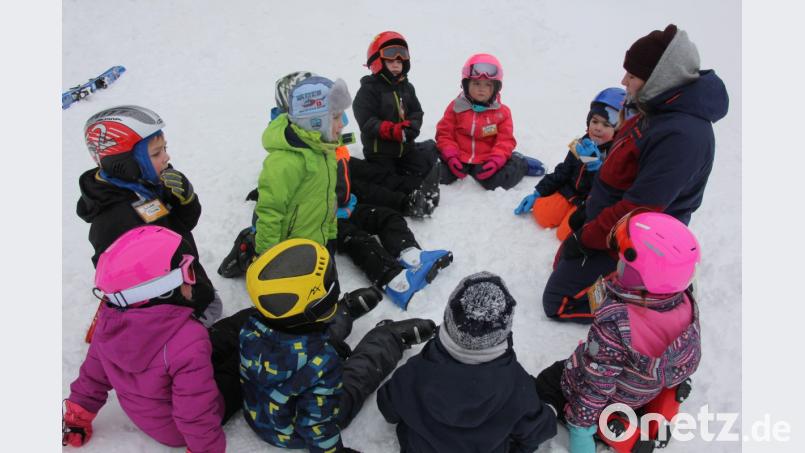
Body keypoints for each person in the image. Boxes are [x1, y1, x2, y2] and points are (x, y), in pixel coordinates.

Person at [542, 24, 728, 322]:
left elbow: (638, 210)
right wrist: (587, 212)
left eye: (632, 75)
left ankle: (651, 299)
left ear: (657, 78)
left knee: (558, 302)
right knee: (561, 263)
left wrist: (588, 236)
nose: (623, 81)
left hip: (639, 242)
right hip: (611, 222)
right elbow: (620, 173)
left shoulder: (681, 136)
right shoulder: (656, 109)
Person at [239, 238, 437, 453]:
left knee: (306, 330)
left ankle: (341, 313)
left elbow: (298, 333)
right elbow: (315, 427)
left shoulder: (251, 326)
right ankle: (388, 338)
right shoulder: (323, 364)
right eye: (328, 300)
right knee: (357, 377)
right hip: (291, 431)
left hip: (260, 414)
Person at [534, 212, 702, 453]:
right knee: (647, 380)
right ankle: (662, 408)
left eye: (624, 261)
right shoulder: (685, 301)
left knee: (550, 381)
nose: (618, 263)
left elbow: (597, 383)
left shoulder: (616, 323)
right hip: (649, 383)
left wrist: (581, 428)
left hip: (617, 395)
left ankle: (618, 429)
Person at [62, 226, 225, 452]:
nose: (194, 279)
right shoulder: (189, 338)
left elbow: (92, 377)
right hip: (177, 431)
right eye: (188, 271)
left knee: (222, 337)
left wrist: (76, 418)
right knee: (240, 364)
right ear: (164, 290)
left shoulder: (109, 322)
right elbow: (196, 412)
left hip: (145, 415)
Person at [377, 272, 558, 452]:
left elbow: (388, 408)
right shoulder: (517, 386)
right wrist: (550, 410)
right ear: (503, 331)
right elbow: (539, 431)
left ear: (449, 319)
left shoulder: (414, 371)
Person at [78, 105, 222, 328]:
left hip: (189, 281)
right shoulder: (114, 220)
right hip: (172, 307)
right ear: (124, 163)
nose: (167, 157)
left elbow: (181, 226)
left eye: (164, 148)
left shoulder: (148, 183)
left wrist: (186, 200)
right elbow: (122, 281)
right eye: (156, 153)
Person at [253, 75, 352, 256]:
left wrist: (330, 236)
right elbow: (270, 212)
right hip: (288, 255)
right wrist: (267, 257)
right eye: (335, 118)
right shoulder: (284, 162)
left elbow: (329, 201)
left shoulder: (325, 152)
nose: (341, 125)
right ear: (315, 121)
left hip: (317, 250)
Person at [514, 88, 626, 242]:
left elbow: (607, 193)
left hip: (588, 202)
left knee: (565, 234)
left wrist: (597, 169)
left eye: (606, 125)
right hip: (569, 192)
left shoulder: (616, 154)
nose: (598, 128)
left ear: (618, 130)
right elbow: (563, 170)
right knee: (541, 214)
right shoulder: (580, 144)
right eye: (595, 121)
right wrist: (538, 192)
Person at [353, 31, 441, 212]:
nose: (396, 65)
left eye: (399, 62)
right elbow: (367, 121)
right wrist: (391, 130)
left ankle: (420, 181)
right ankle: (409, 195)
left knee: (422, 165)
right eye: (391, 61)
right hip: (380, 152)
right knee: (386, 179)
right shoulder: (369, 90)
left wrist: (411, 126)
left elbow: (416, 112)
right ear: (377, 62)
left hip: (404, 149)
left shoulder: (407, 88)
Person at [435, 53, 534, 191]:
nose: (481, 88)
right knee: (439, 175)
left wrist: (496, 160)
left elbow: (505, 140)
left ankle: (520, 163)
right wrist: (450, 155)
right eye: (476, 83)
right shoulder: (456, 107)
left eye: (487, 85)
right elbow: (444, 133)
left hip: (485, 158)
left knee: (495, 183)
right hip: (458, 156)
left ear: (495, 88)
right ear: (466, 84)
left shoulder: (502, 113)